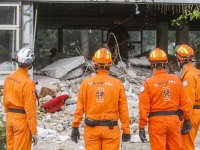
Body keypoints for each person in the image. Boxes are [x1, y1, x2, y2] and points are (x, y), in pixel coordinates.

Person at [71, 48, 131, 150]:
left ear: (94, 64)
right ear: (110, 65)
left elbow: (79, 108)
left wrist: (75, 127)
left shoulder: (86, 84)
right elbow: (123, 109)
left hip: (91, 130)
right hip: (111, 130)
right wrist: (126, 130)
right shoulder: (117, 84)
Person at [139, 48, 191, 150]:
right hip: (174, 121)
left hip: (156, 122)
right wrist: (187, 119)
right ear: (166, 63)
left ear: (151, 64)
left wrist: (141, 126)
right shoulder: (176, 79)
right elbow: (184, 101)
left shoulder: (148, 83)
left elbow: (143, 108)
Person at [3, 48, 38, 150]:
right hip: (22, 121)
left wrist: (9, 116)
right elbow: (30, 109)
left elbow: (5, 102)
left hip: (10, 119)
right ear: (30, 63)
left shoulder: (8, 78)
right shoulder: (27, 83)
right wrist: (34, 131)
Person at [175, 44, 200, 150]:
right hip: (196, 112)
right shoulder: (196, 72)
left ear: (181, 60)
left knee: (186, 145)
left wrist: (186, 119)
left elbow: (188, 101)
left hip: (191, 113)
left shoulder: (188, 77)